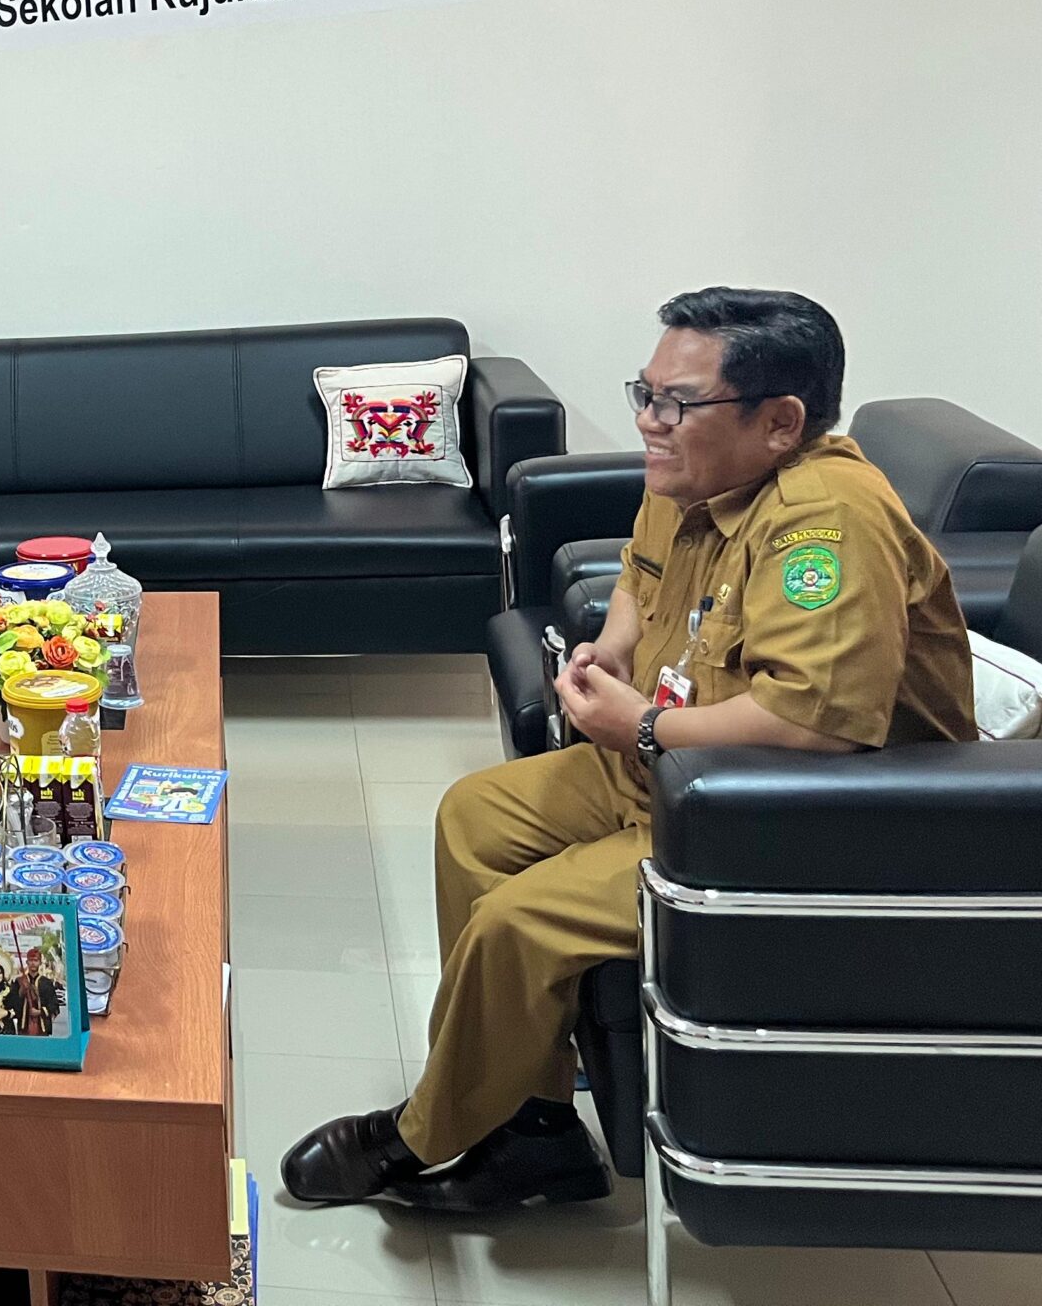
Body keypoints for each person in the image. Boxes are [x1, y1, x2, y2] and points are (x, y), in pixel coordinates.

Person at [281, 288, 973, 1213]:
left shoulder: (827, 520)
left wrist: (640, 726)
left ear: (780, 422)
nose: (650, 421)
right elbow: (640, 582)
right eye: (645, 393)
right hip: (677, 769)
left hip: (781, 818)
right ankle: (534, 1125)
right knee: (474, 816)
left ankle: (424, 1132)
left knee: (518, 922)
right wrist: (611, 648)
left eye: (677, 403)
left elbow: (814, 726)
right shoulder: (694, 476)